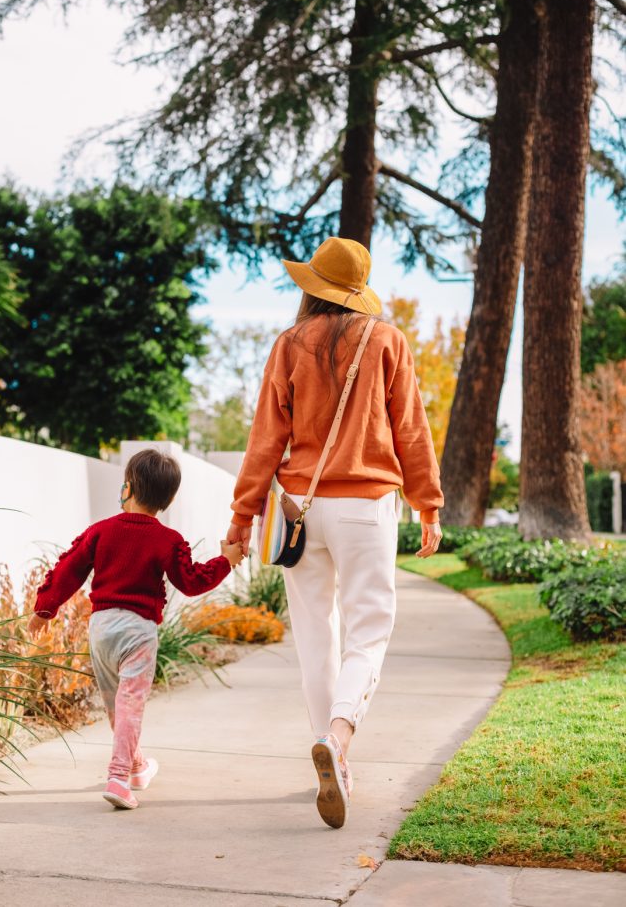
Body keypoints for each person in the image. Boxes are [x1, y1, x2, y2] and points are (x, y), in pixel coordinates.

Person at [227, 237, 443, 829]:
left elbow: (265, 440)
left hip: (301, 506)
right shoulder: (386, 341)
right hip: (365, 506)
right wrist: (427, 504)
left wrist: (240, 520)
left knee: (315, 638)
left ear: (312, 286)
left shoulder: (290, 343)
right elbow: (411, 430)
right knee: (368, 629)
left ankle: (332, 759)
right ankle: (340, 737)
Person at [28, 447, 244, 810]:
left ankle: (138, 766)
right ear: (169, 498)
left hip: (101, 627)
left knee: (117, 705)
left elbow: (68, 569)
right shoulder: (167, 539)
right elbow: (192, 581)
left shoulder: (100, 532)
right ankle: (118, 776)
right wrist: (227, 560)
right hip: (138, 631)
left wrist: (44, 609)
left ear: (127, 487)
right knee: (130, 705)